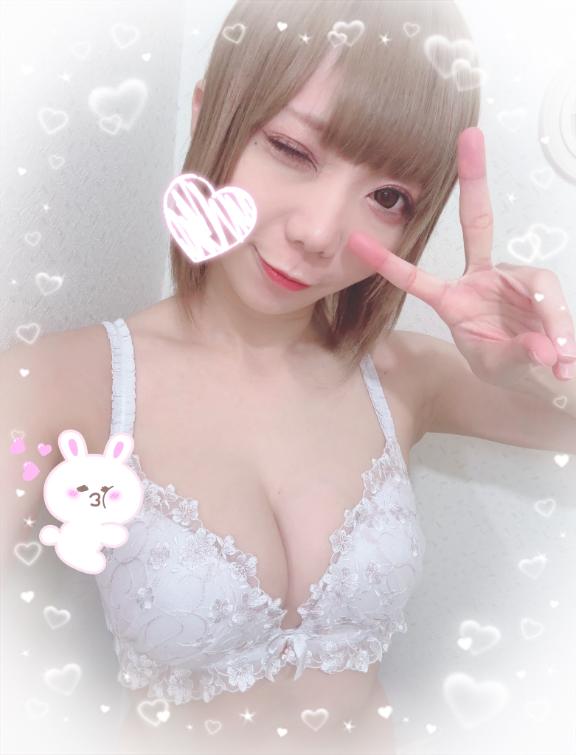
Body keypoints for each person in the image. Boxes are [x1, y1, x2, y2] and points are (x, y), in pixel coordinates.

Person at [1, 1, 482, 753]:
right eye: (291, 148)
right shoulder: (62, 384)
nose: (319, 232)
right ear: (207, 117)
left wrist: (541, 364)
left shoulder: (404, 375)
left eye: (388, 197)